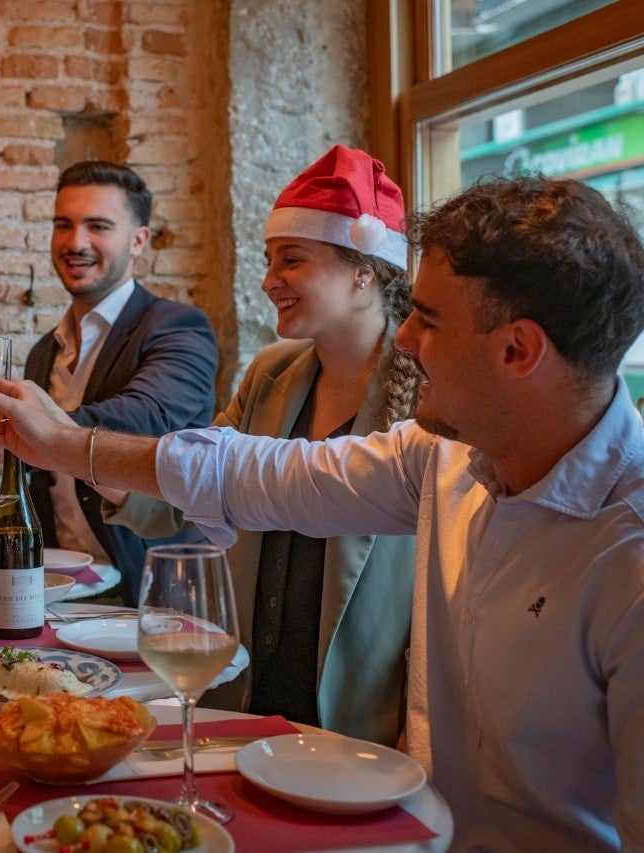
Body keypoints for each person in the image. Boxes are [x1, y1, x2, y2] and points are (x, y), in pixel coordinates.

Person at [0, 176, 644, 849]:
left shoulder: (629, 553)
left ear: (518, 350)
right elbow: (255, 472)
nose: (406, 337)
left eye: (430, 319)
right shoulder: (442, 457)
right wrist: (64, 443)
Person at [101, 146, 419, 745]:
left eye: (291, 260)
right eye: (269, 260)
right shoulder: (271, 372)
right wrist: (92, 461)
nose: (270, 281)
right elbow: (185, 492)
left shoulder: (432, 395)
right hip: (247, 697)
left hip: (361, 722)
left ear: (364, 270)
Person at [0, 160, 219, 602]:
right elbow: (47, 491)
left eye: (98, 226)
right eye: (63, 225)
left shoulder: (178, 327)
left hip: (153, 592)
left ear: (139, 240)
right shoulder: (42, 353)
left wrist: (34, 426)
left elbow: (145, 420)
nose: (75, 242)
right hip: (63, 592)